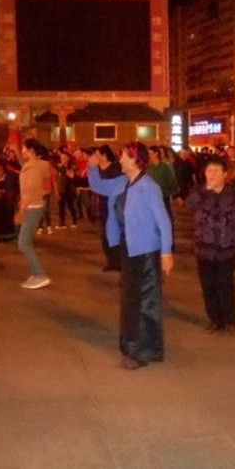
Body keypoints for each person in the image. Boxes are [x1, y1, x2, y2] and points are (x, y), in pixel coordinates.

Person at [87, 142, 173, 369]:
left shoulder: (149, 186)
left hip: (146, 251)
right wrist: (92, 167)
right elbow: (98, 185)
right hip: (129, 247)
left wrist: (166, 251)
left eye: (124, 156)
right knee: (130, 300)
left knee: (144, 302)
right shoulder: (122, 182)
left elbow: (163, 221)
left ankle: (141, 351)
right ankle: (132, 347)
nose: (121, 159)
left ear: (135, 160)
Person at [185, 156, 235, 335]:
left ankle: (230, 319)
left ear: (225, 174)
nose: (212, 174)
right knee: (208, 285)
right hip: (204, 247)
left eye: (216, 171)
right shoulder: (199, 192)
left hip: (227, 247)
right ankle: (215, 320)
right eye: (209, 171)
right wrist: (205, 191)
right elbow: (188, 206)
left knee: (225, 283)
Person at [17, 139, 52, 290]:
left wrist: (22, 210)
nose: (22, 151)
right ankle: (34, 273)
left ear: (31, 150)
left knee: (23, 243)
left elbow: (30, 190)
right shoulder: (39, 165)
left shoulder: (33, 168)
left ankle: (39, 274)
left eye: (23, 149)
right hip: (36, 205)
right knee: (26, 242)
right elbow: (45, 186)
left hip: (31, 207)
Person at [96, 144, 123, 272]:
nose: (96, 157)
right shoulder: (98, 168)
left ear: (105, 155)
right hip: (103, 205)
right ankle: (111, 261)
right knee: (105, 235)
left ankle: (119, 261)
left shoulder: (115, 168)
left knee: (113, 233)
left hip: (113, 205)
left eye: (98, 155)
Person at [0, 158, 18, 243]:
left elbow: (11, 189)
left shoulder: (8, 177)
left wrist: (2, 192)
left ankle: (6, 235)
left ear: (0, 166)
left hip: (5, 203)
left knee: (5, 218)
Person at [55, 150, 79, 229]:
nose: (62, 159)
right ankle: (62, 222)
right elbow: (57, 177)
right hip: (62, 189)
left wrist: (77, 188)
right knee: (61, 206)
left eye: (64, 157)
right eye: (61, 157)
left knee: (71, 206)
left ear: (68, 158)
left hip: (70, 189)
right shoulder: (59, 167)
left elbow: (76, 177)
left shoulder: (73, 167)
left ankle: (74, 221)